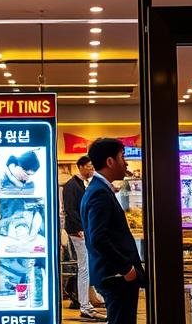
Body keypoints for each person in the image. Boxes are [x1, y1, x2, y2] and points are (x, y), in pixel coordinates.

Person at [81, 138, 145, 324]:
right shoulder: (99, 193)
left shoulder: (99, 189)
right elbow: (98, 238)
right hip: (115, 276)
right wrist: (127, 269)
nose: (125, 162)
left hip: (114, 275)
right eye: (122, 157)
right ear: (110, 161)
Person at [62, 156, 102, 320]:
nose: (92, 168)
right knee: (84, 267)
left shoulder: (83, 184)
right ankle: (85, 305)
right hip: (78, 232)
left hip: (84, 231)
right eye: (89, 165)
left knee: (87, 267)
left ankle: (89, 302)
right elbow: (70, 209)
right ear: (80, 167)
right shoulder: (72, 186)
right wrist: (80, 228)